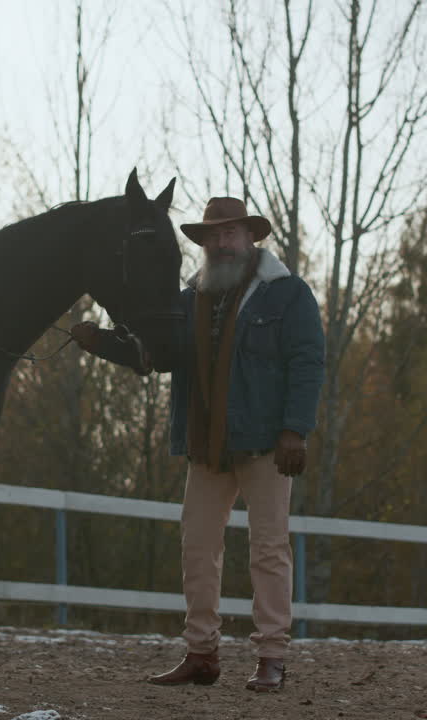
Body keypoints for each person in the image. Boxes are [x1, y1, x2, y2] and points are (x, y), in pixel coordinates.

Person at [71, 197, 324, 692]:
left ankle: (272, 655)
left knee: (269, 549)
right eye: (212, 236)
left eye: (229, 233)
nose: (220, 243)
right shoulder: (190, 299)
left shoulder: (287, 294)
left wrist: (296, 429)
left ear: (251, 238)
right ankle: (201, 654)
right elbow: (160, 356)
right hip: (205, 444)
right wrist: (101, 343)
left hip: (266, 442)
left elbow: (308, 362)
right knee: (197, 548)